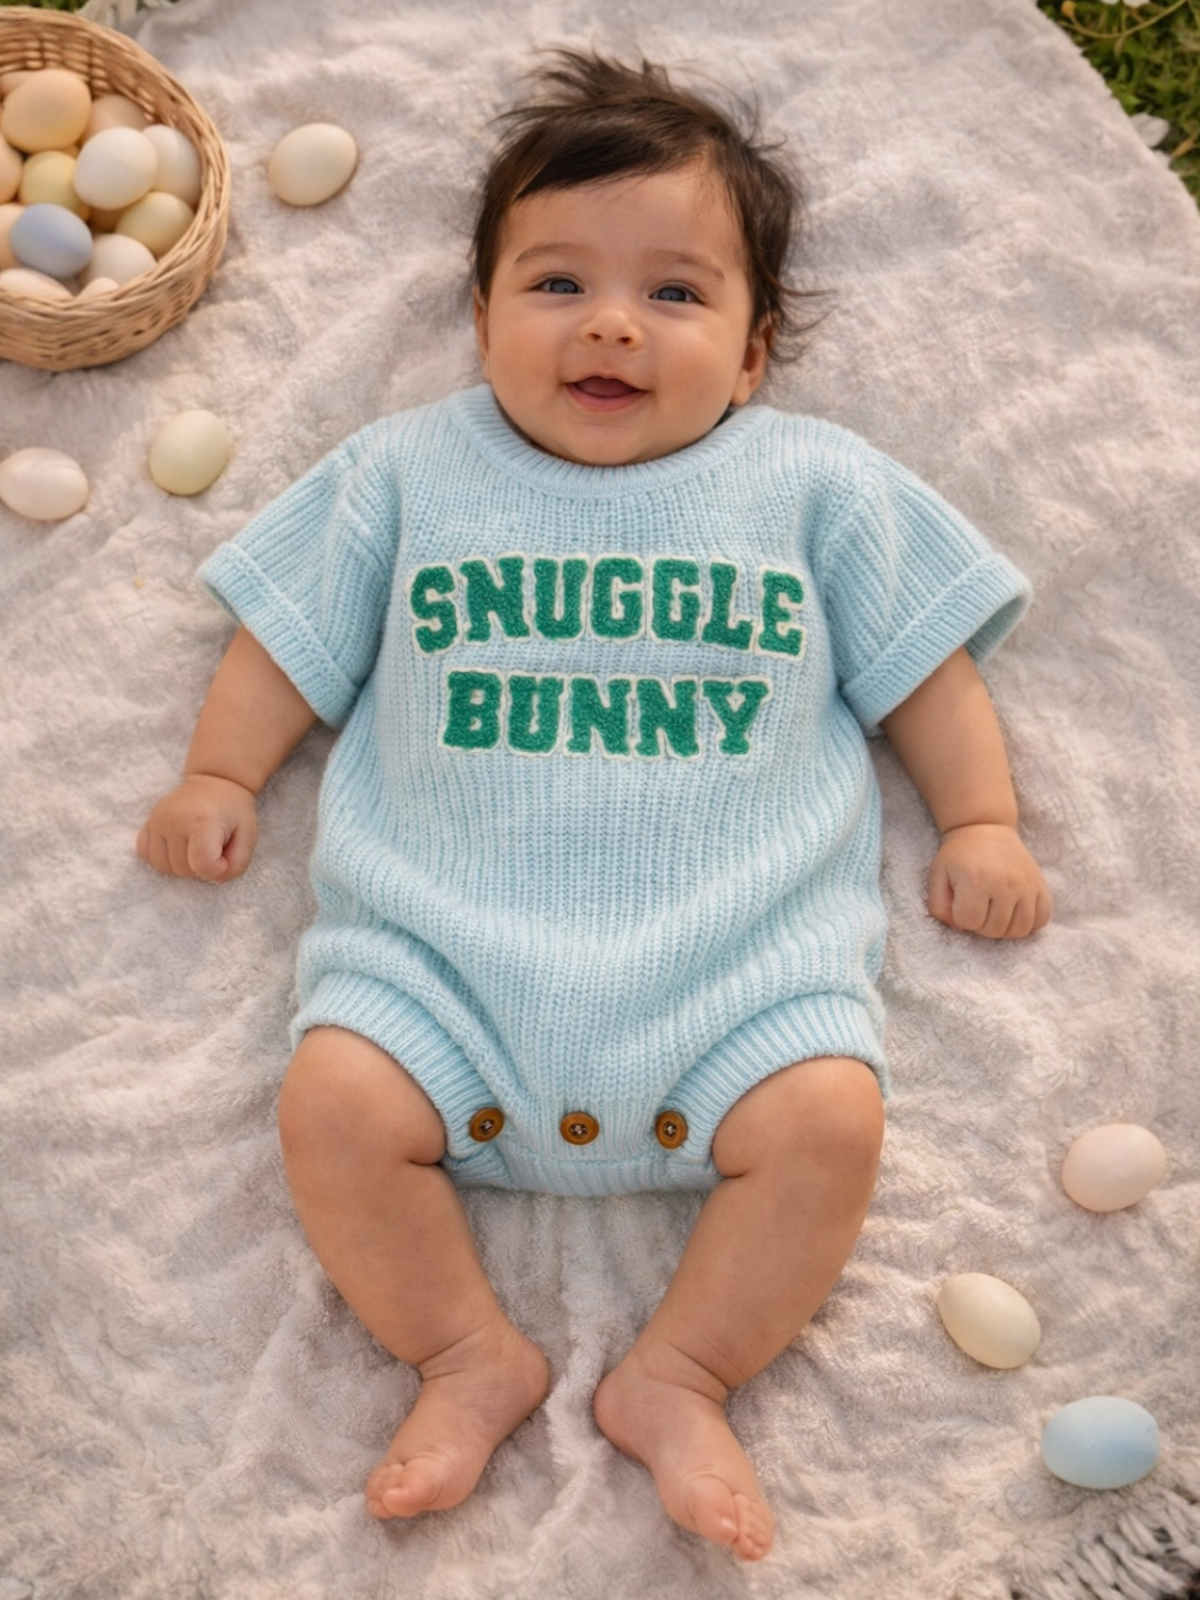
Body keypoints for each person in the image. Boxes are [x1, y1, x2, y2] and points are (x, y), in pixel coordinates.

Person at [136, 49, 1052, 1563]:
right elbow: (286, 637)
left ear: (753, 356)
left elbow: (928, 676)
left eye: (675, 294)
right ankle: (463, 1354)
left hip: (736, 982)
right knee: (332, 1108)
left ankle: (679, 1376)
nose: (612, 322)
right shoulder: (406, 473)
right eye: (556, 283)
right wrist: (220, 773)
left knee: (831, 1124)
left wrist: (983, 822)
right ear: (481, 316)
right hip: (438, 973)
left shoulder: (817, 486)